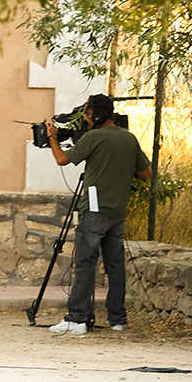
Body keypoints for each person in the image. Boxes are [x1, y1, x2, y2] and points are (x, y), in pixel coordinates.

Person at [44, 93, 152, 334]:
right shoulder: (129, 139)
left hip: (94, 211)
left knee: (85, 264)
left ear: (96, 114)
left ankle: (77, 318)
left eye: (88, 114)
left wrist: (53, 138)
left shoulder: (94, 137)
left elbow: (62, 159)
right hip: (118, 212)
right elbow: (146, 174)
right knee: (115, 266)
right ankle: (117, 319)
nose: (86, 118)